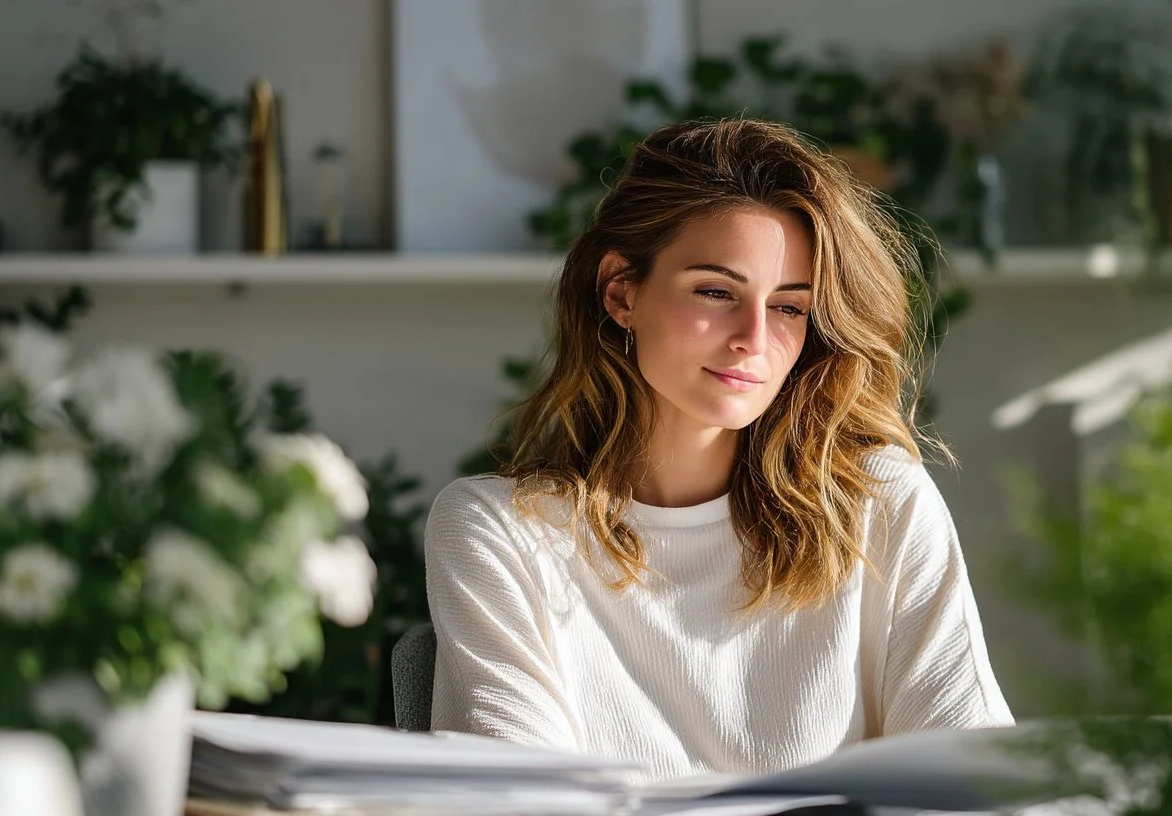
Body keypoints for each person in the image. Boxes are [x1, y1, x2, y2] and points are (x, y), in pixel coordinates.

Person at [425, 118, 1012, 781]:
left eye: (790, 308)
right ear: (621, 290)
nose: (754, 339)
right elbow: (520, 799)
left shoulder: (876, 499)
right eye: (716, 292)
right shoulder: (501, 532)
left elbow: (980, 772)